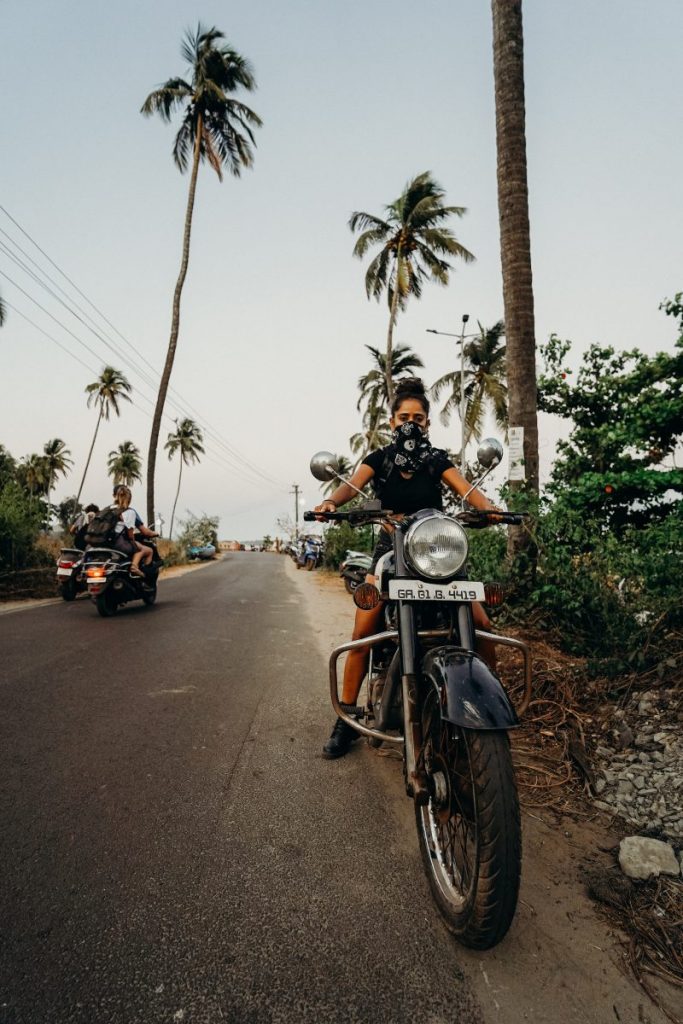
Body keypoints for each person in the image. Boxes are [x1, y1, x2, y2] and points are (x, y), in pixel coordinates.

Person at [314, 377, 501, 759]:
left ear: (428, 423)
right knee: (365, 629)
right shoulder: (379, 459)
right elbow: (350, 486)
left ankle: (488, 703)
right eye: (403, 417)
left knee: (483, 623)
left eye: (418, 416)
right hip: (391, 547)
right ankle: (346, 716)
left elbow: (465, 489)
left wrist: (490, 508)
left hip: (434, 550)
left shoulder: (436, 460)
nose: (410, 423)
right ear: (391, 422)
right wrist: (331, 502)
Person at [111, 485, 155, 576]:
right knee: (146, 550)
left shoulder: (109, 510)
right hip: (119, 543)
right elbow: (131, 535)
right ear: (129, 499)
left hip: (108, 541)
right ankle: (135, 567)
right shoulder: (129, 512)